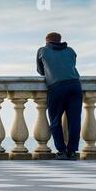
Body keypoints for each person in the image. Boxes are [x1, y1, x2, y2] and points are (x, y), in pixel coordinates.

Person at [37, 32, 82, 160]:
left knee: (55, 120)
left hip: (57, 87)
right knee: (74, 121)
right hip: (75, 85)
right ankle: (72, 152)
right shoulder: (71, 50)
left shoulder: (42, 50)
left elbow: (40, 71)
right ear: (60, 40)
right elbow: (72, 65)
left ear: (47, 41)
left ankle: (62, 151)